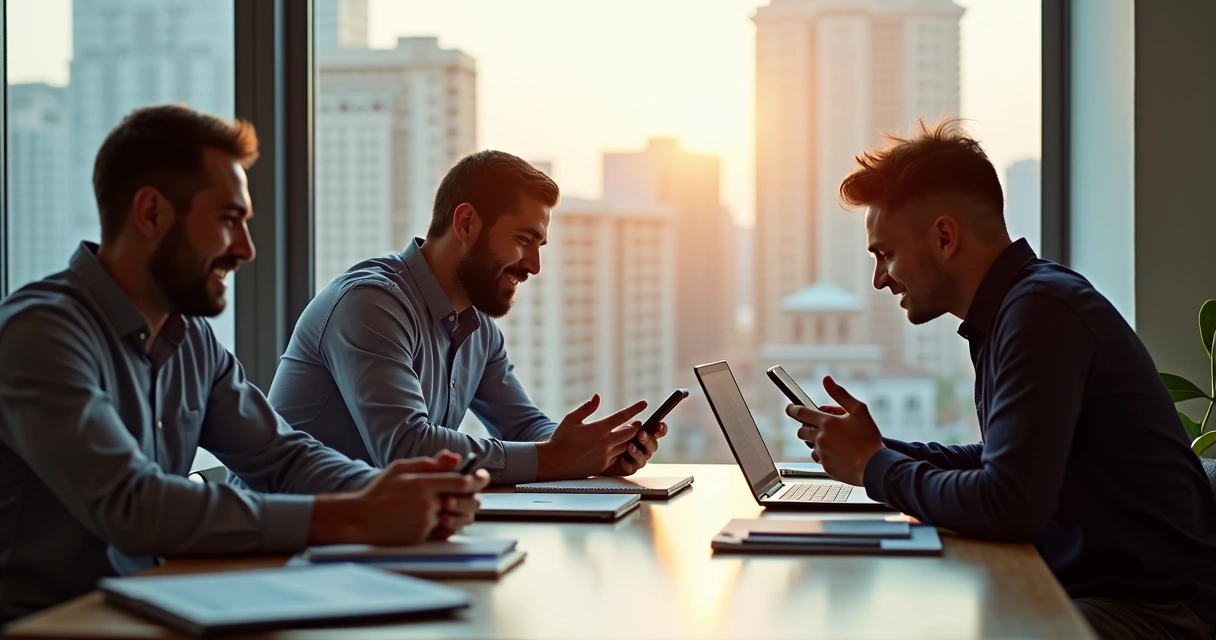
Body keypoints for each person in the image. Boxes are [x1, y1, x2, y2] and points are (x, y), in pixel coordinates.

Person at [0, 106, 488, 624]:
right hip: (52, 623)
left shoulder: (192, 341)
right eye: (228, 220)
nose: (246, 249)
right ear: (151, 214)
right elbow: (132, 506)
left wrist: (394, 494)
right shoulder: (41, 333)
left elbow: (282, 457)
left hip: (159, 606)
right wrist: (352, 517)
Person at [784, 120, 1216, 640]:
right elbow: (1004, 466)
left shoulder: (1040, 313)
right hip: (1093, 589)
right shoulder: (1020, 307)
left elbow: (1008, 505)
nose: (880, 278)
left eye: (885, 253)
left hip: (1155, 612)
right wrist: (873, 450)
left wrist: (876, 467)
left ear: (944, 236)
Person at [266, 150, 665, 485]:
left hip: (373, 535)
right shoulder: (372, 304)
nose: (534, 265)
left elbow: (525, 429)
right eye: (523, 240)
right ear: (467, 223)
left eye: (539, 245)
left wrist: (595, 454)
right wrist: (555, 459)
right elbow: (406, 449)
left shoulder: (477, 329)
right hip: (283, 545)